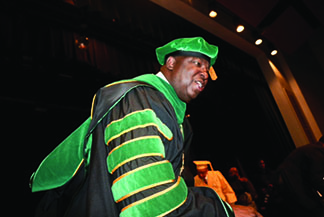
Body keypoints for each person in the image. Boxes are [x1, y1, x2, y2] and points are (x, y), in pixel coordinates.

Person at [30, 37, 261, 217]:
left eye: (207, 68)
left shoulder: (174, 115)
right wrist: (223, 211)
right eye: (197, 63)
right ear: (170, 62)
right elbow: (148, 199)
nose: (204, 73)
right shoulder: (142, 99)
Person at [274, 136, 324, 217]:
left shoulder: (310, 149)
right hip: (295, 190)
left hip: (288, 190)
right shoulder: (318, 151)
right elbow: (317, 179)